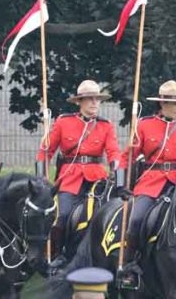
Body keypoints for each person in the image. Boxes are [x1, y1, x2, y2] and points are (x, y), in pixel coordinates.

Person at [117, 80, 176, 288]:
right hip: (151, 183)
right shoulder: (144, 125)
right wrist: (119, 183)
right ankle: (131, 266)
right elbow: (128, 156)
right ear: (162, 104)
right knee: (135, 220)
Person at [36, 80, 120, 268]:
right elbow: (45, 152)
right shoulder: (64, 122)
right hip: (70, 178)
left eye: (97, 99)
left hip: (97, 179)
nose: (94, 103)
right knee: (62, 215)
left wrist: (117, 172)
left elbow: (114, 152)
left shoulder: (105, 126)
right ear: (79, 102)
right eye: (89, 99)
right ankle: (56, 254)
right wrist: (41, 178)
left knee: (110, 213)